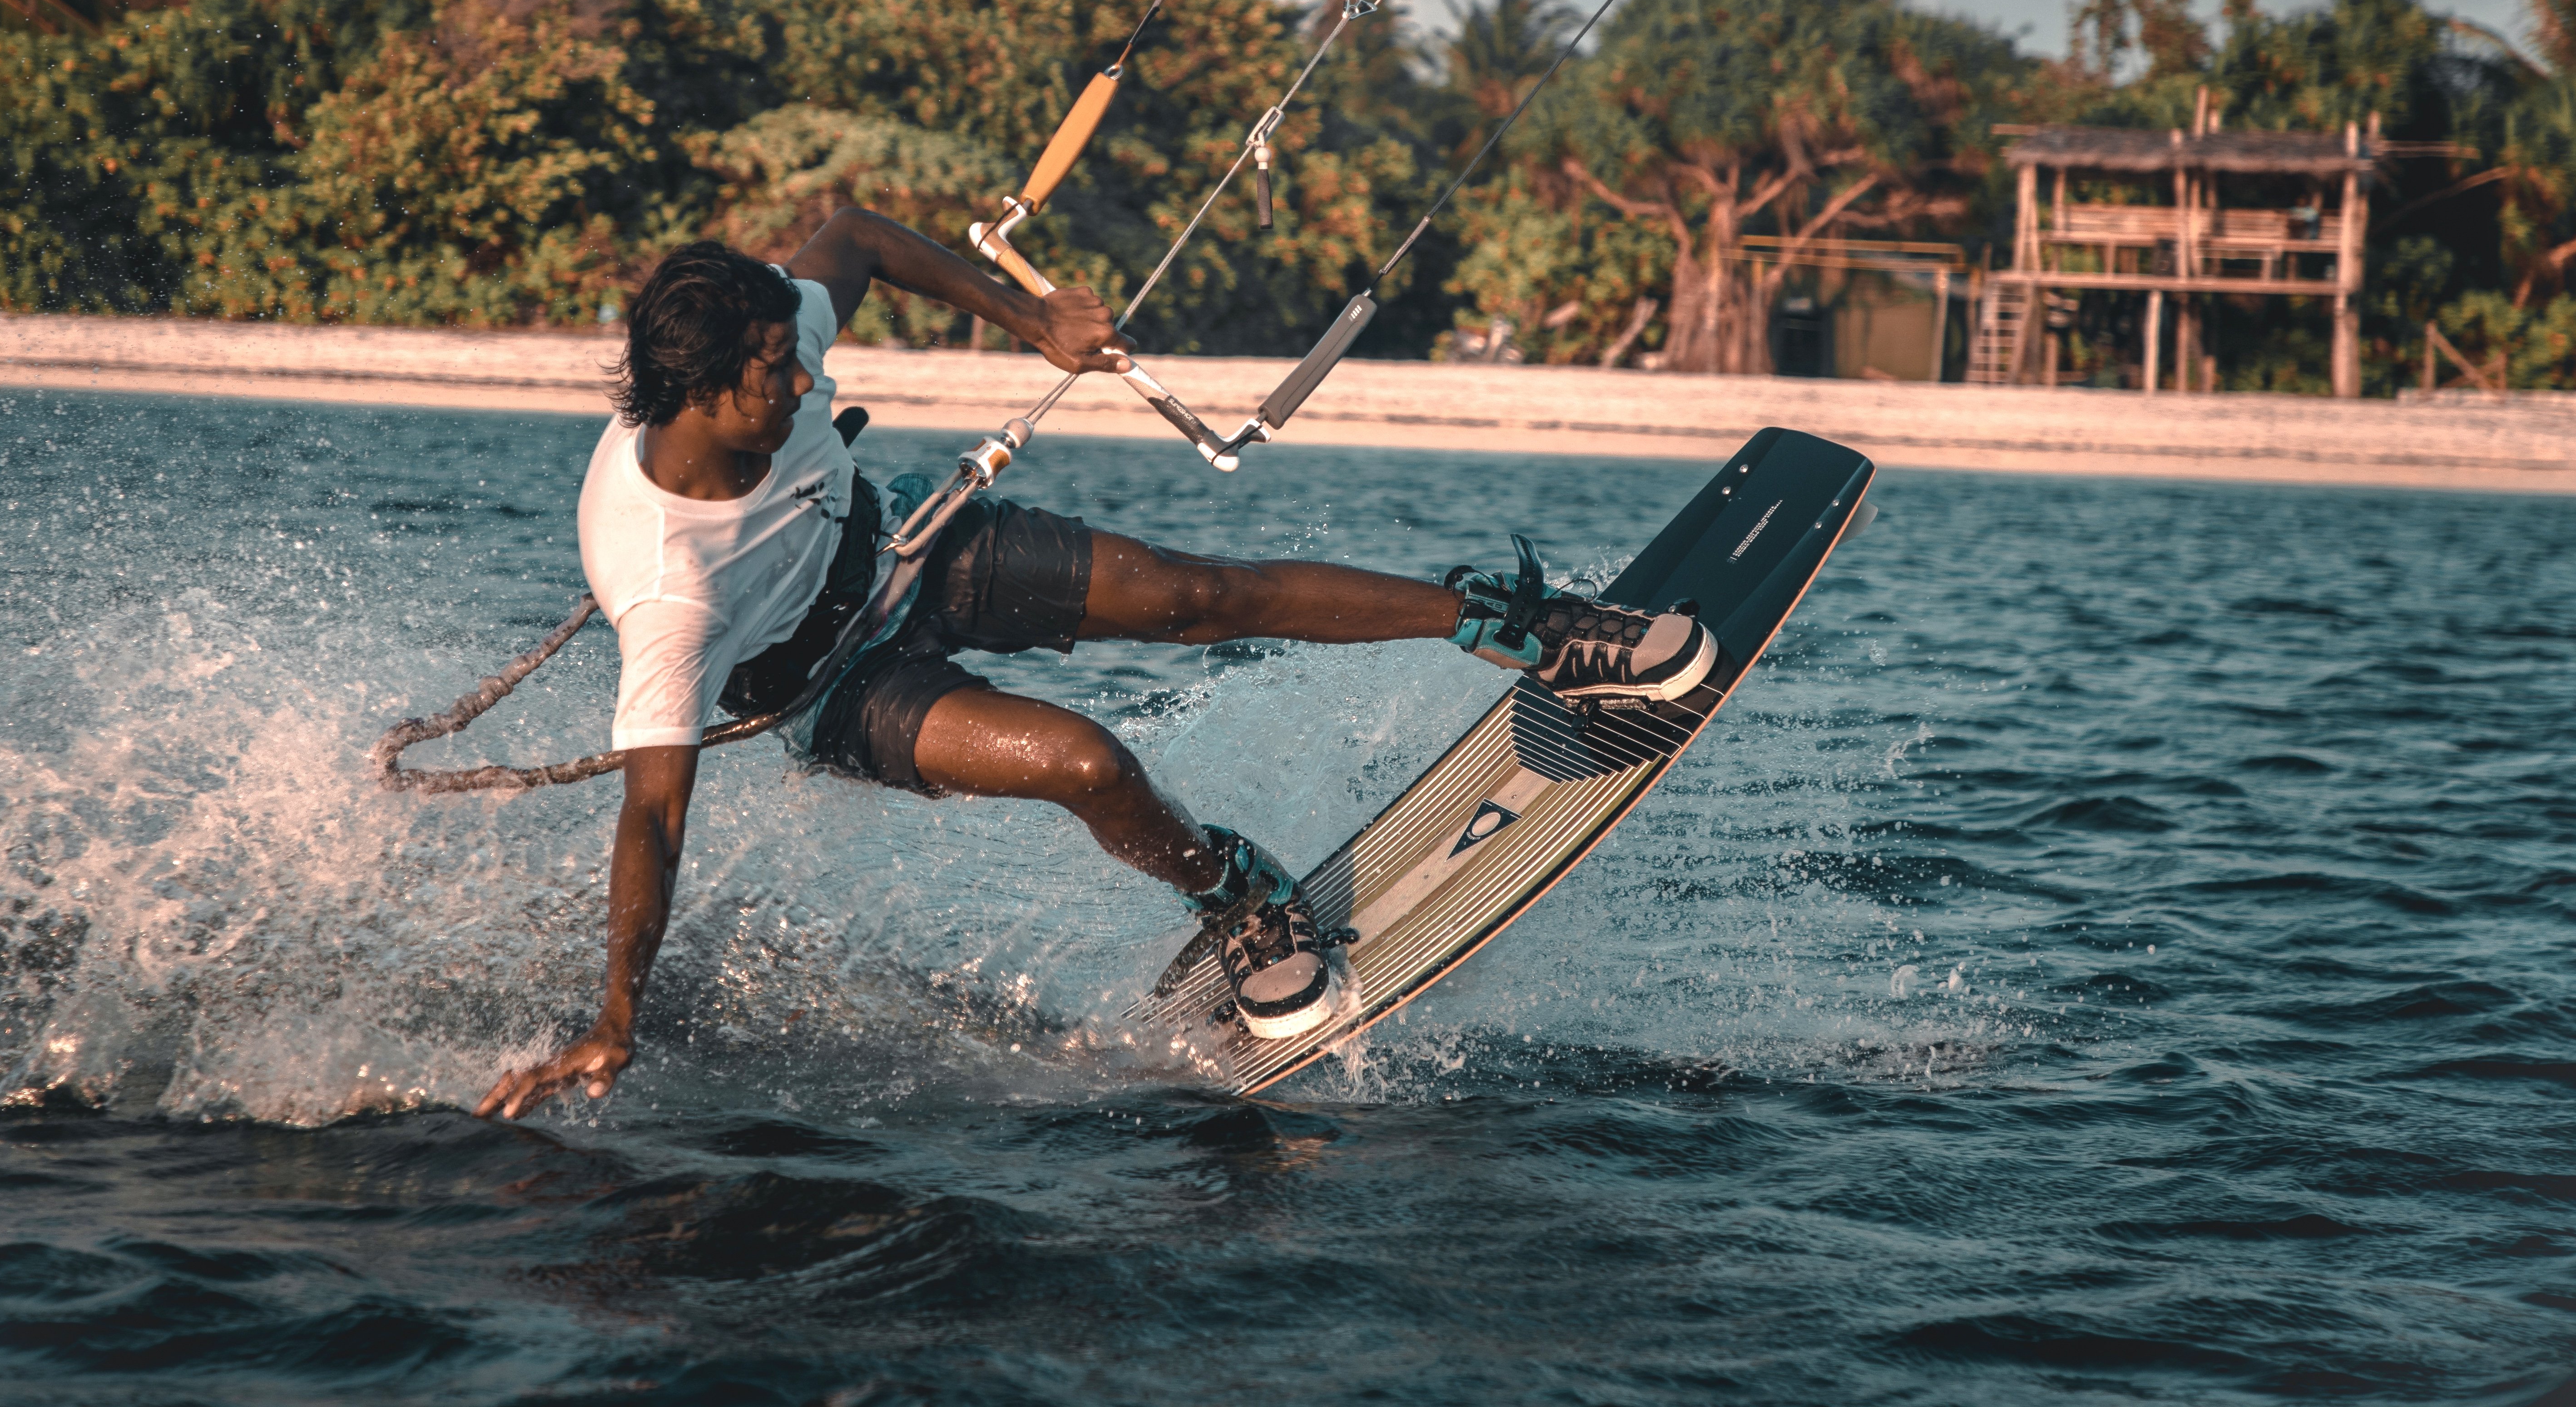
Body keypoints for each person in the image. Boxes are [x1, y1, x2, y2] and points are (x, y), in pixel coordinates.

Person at [476, 209, 1717, 1120]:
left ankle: (1536, 629)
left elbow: (853, 236)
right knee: (1085, 762)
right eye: (774, 374)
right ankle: (1239, 899)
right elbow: (653, 818)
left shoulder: (764, 337)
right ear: (696, 394)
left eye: (795, 354)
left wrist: (1034, 324)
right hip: (835, 692)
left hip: (905, 543)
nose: (805, 375)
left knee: (1195, 594)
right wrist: (616, 1020)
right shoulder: (666, 588)